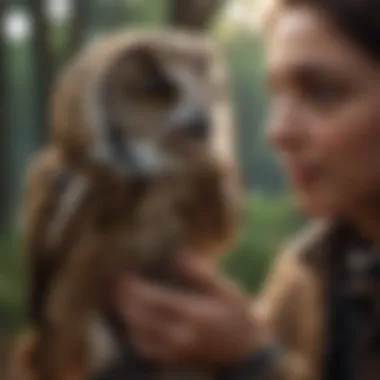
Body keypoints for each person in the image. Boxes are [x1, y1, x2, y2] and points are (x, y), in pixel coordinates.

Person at [116, 0, 380, 379]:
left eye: (323, 93)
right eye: (278, 94)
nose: (278, 132)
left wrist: (252, 363)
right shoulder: (312, 274)